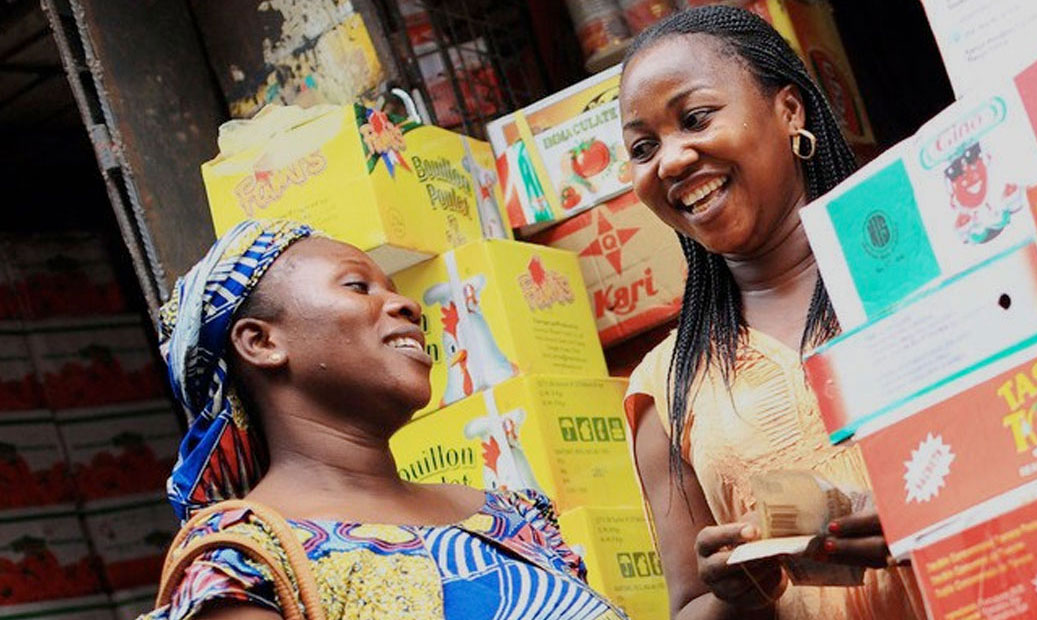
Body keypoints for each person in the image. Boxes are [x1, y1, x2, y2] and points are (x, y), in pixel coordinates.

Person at [143, 220, 628, 620]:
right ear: (261, 343)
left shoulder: (513, 517)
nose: (407, 306)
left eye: (396, 291)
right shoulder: (244, 566)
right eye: (359, 286)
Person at [618, 6, 923, 619]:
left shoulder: (923, 267)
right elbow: (688, 608)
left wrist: (926, 517)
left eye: (696, 118)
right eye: (644, 147)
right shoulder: (665, 386)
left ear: (789, 112)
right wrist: (736, 592)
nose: (672, 160)